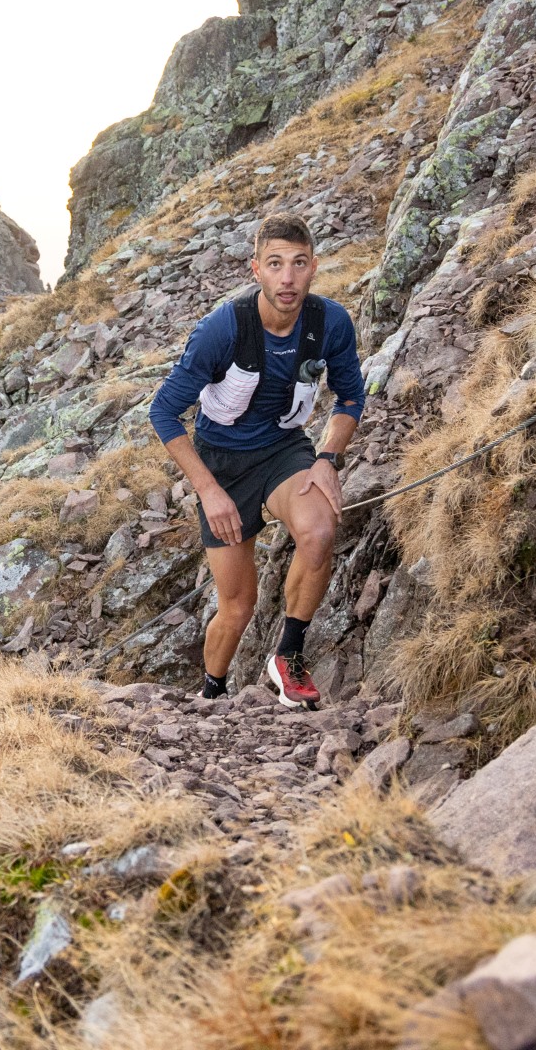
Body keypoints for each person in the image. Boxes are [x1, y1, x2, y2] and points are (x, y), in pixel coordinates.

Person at [148, 212, 366, 708]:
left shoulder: (330, 322)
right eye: (275, 264)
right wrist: (209, 491)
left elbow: (351, 397)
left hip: (284, 451)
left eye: (298, 264)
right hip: (220, 464)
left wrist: (327, 457)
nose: (287, 278)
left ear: (314, 267)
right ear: (256, 270)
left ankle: (288, 656)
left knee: (319, 530)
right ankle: (211, 695)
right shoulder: (222, 329)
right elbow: (163, 412)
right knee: (237, 605)